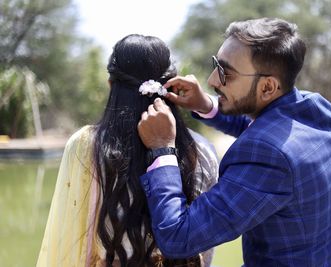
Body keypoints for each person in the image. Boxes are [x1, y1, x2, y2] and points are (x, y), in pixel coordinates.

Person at [137, 18, 331, 266]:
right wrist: (206, 105)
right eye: (216, 65)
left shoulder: (267, 155)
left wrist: (162, 150)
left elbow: (178, 237)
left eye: (227, 73)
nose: (213, 80)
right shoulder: (319, 109)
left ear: (267, 87)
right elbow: (259, 126)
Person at [36, 34, 218, 267]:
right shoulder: (202, 151)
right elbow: (205, 249)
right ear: (172, 84)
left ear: (111, 85)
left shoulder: (85, 146)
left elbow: (69, 235)